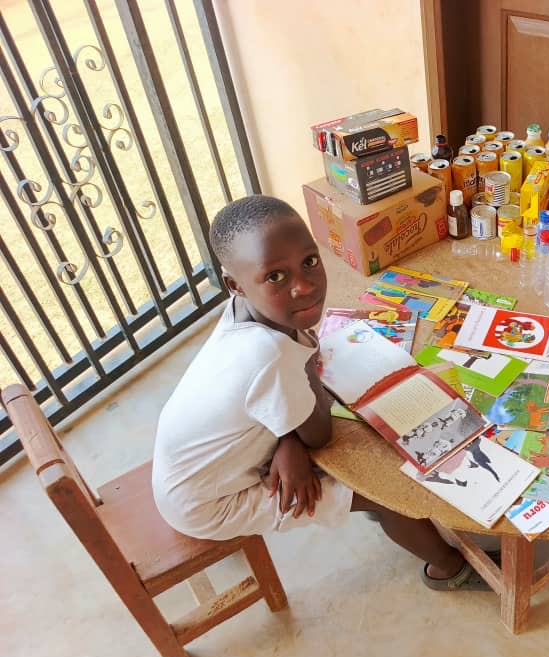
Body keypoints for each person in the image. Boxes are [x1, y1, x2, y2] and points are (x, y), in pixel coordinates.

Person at [151, 195, 487, 590]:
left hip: (193, 469)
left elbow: (286, 386)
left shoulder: (243, 314)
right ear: (235, 285)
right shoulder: (267, 354)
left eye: (310, 261)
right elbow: (320, 433)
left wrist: (286, 440)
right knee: (386, 492)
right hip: (208, 504)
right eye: (275, 277)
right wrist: (295, 434)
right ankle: (449, 568)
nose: (305, 286)